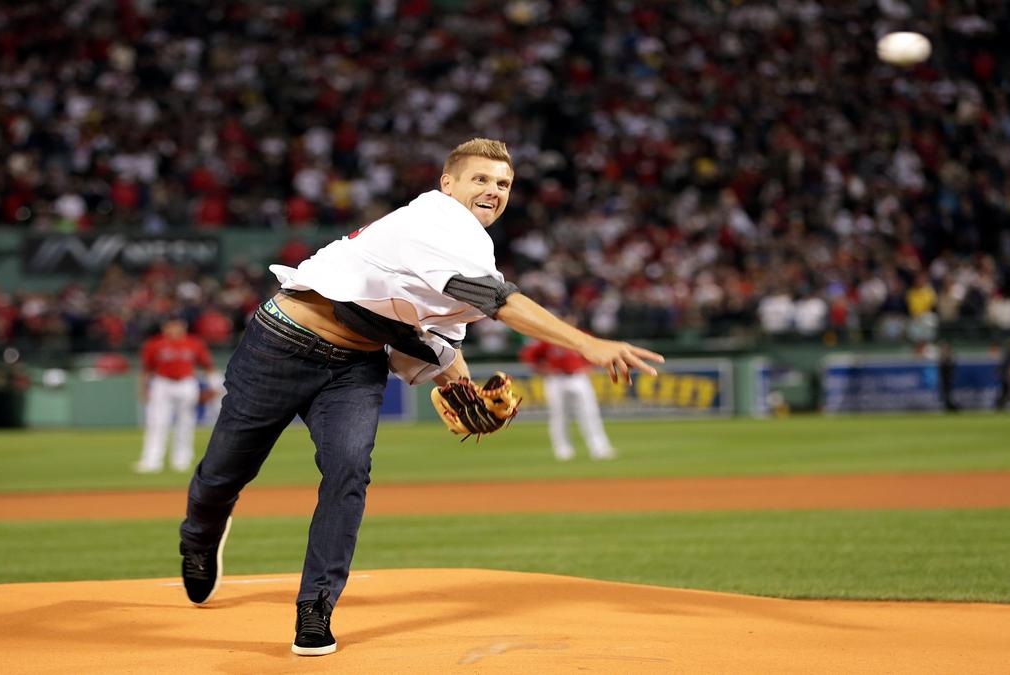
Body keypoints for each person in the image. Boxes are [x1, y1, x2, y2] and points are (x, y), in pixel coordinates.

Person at [176, 138, 663, 657]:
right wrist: (588, 343)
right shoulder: (437, 221)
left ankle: (315, 609)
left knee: (349, 471)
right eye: (480, 179)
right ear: (447, 184)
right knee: (226, 471)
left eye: (503, 184)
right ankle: (200, 535)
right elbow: (496, 300)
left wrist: (460, 385)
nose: (492, 190)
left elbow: (433, 339)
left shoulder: (472, 247)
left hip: (355, 366)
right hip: (280, 345)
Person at [519, 330, 617, 461]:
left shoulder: (580, 336)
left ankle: (599, 448)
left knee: (589, 413)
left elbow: (597, 351)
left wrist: (589, 367)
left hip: (578, 377)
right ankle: (563, 450)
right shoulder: (547, 338)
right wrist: (543, 370)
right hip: (556, 379)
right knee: (559, 416)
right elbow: (529, 356)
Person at [134, 316, 216, 473]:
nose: (173, 329)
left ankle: (182, 460)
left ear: (183, 327)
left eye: (176, 325)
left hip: (186, 383)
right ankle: (152, 461)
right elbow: (146, 369)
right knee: (157, 422)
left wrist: (214, 384)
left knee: (186, 423)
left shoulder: (194, 343)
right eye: (170, 326)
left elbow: (207, 366)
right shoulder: (155, 344)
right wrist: (143, 388)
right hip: (162, 383)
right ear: (164, 327)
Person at [937, 341, 959, 412]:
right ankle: (948, 406)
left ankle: (950, 406)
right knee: (945, 393)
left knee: (948, 393)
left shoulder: (950, 356)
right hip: (944, 379)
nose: (944, 349)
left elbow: (953, 363)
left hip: (948, 378)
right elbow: (941, 366)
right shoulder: (941, 357)